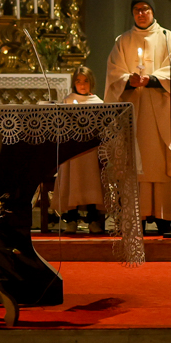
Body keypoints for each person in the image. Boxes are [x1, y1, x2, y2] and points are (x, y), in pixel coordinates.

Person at [104, 0, 171, 236]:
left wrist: (153, 80)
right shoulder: (123, 41)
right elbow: (114, 74)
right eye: (137, 10)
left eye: (145, 9)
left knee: (163, 163)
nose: (141, 13)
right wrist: (129, 80)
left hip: (162, 113)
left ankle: (166, 219)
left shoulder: (168, 38)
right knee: (136, 165)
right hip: (133, 114)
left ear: (153, 11)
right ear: (132, 13)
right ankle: (139, 218)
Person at [53, 65, 105, 233]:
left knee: (91, 183)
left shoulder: (98, 102)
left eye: (86, 81)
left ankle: (93, 219)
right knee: (72, 183)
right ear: (73, 83)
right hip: (72, 153)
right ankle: (71, 219)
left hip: (90, 152)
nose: (82, 85)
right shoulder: (67, 101)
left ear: (92, 83)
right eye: (78, 81)